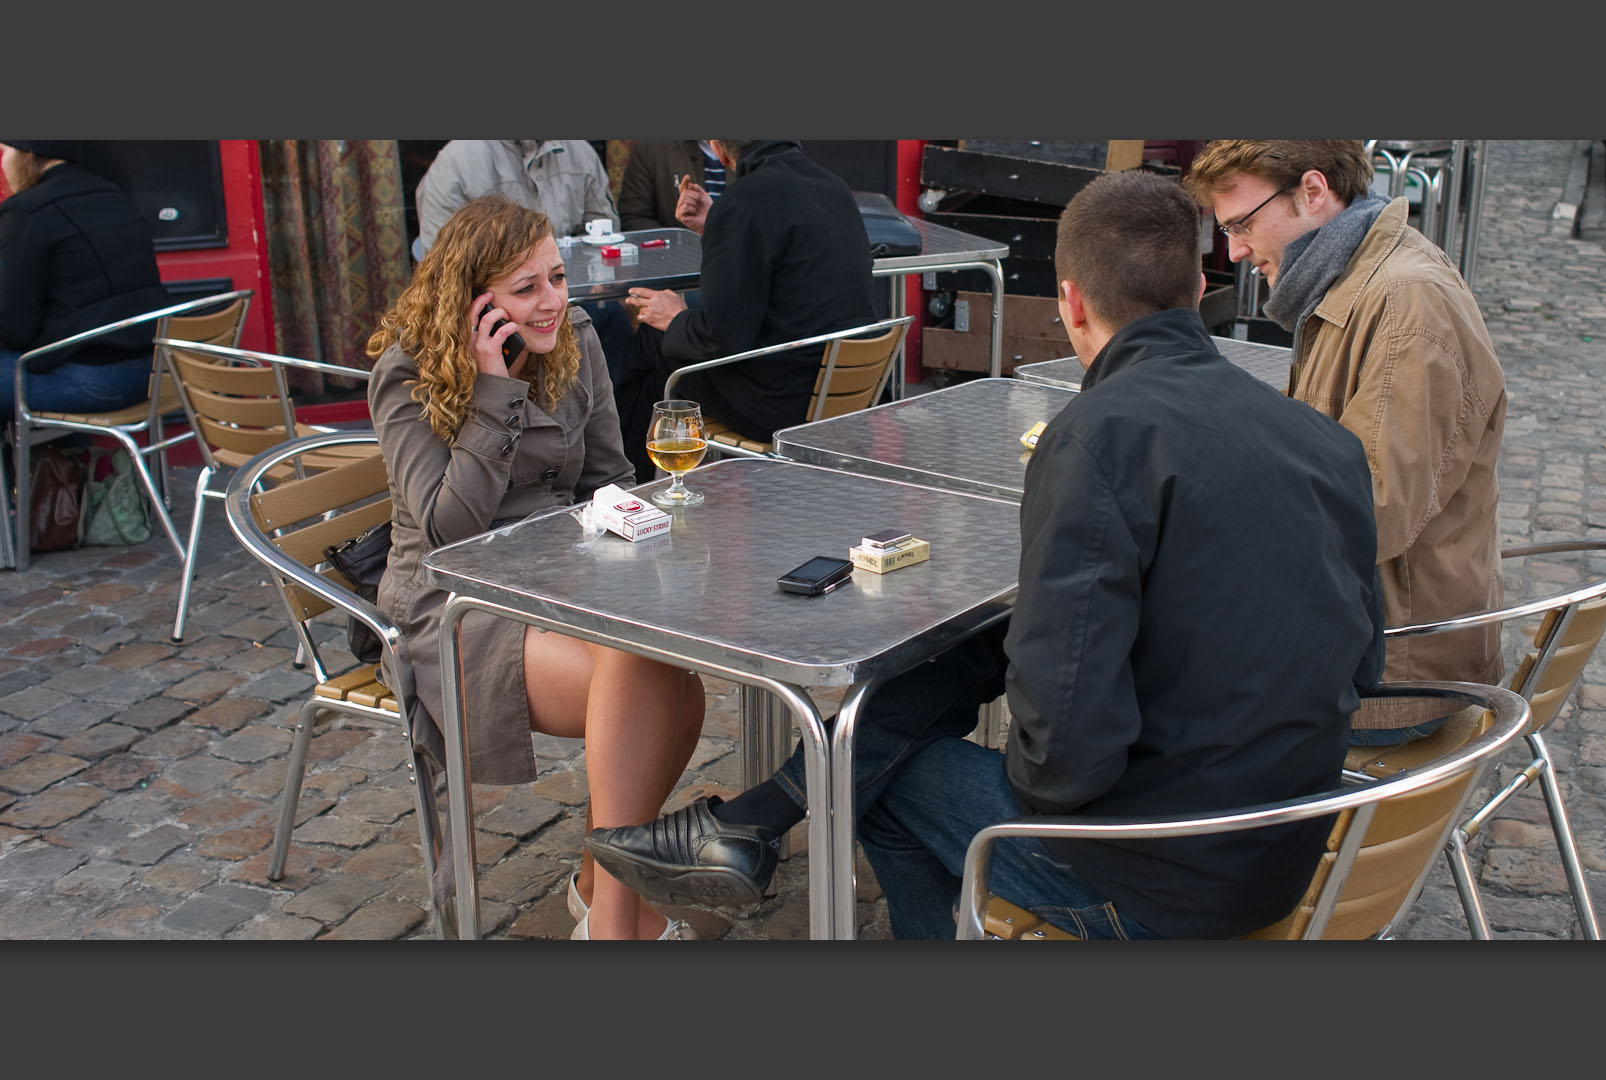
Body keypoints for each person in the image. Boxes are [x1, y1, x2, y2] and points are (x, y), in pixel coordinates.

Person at [587, 170, 1386, 939]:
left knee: (874, 775)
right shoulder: (1324, 438)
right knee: (971, 658)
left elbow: (1059, 766)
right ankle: (752, 822)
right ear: (1197, 290)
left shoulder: (1095, 440)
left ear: (1069, 303)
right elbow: (1364, 668)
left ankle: (771, 828)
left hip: (1158, 882)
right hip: (1289, 844)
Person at [366, 195, 706, 940]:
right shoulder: (407, 373)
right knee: (647, 679)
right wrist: (492, 392)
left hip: (560, 573)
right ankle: (616, 925)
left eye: (557, 276)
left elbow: (609, 479)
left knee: (684, 687)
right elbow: (449, 530)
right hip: (456, 599)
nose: (553, 301)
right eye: (527, 289)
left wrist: (639, 533)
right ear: (475, 303)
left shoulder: (575, 334)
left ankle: (596, 886)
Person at [1184, 140, 1508, 747]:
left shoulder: (1408, 301)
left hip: (1387, 676)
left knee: (1146, 689)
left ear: (1312, 191)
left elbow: (1368, 511)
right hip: (1357, 640)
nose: (1235, 250)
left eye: (1243, 224)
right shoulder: (1351, 278)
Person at [0, 140, 170, 567]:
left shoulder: (26, 209)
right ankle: (63, 490)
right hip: (153, 372)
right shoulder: (112, 193)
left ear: (28, 155)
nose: (1, 162)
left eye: (5, 151)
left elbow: (14, 328)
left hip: (94, 381)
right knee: (30, 365)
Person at [619, 139, 875, 479]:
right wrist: (716, 221)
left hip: (783, 406)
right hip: (846, 394)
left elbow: (721, 338)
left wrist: (675, 317)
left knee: (654, 333)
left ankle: (623, 487)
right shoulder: (833, 186)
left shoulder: (743, 203)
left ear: (719, 149)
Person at [413, 140, 616, 255]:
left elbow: (605, 235)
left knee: (613, 317)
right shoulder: (454, 163)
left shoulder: (580, 152)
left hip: (570, 296)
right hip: (492, 309)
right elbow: (442, 266)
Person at [616, 140, 732, 231]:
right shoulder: (652, 146)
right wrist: (679, 247)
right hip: (680, 256)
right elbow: (634, 219)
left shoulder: (747, 146)